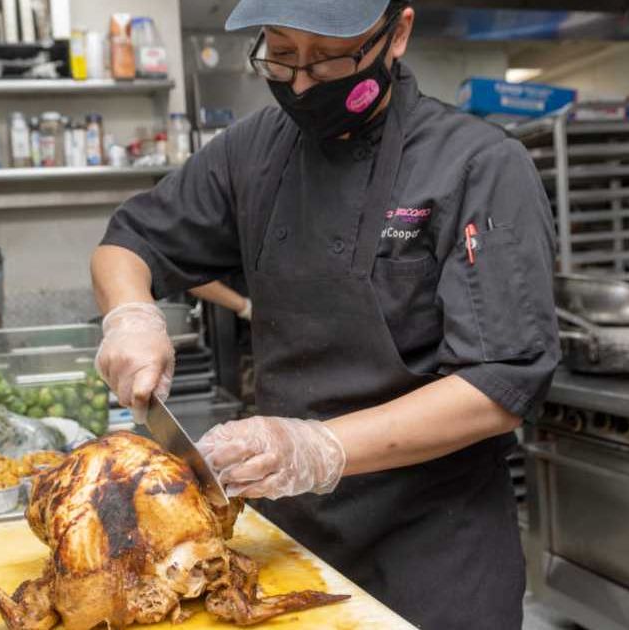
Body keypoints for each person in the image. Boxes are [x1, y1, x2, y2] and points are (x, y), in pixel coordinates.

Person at [91, 0, 560, 626]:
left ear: (398, 35)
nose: (304, 81)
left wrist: (318, 447)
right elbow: (130, 241)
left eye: (332, 56)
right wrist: (130, 315)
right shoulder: (252, 150)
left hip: (434, 555)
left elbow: (501, 384)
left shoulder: (477, 166)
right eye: (282, 53)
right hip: (291, 540)